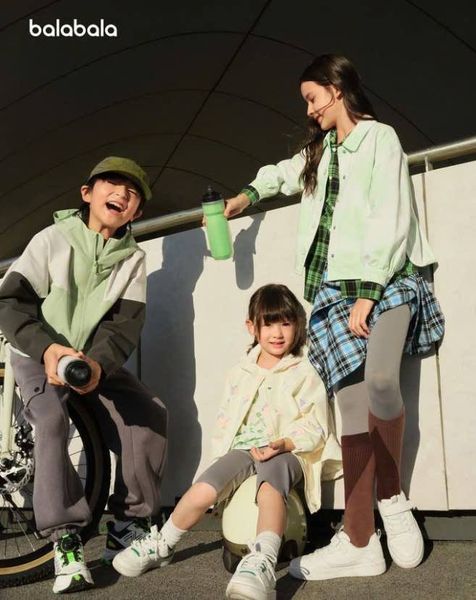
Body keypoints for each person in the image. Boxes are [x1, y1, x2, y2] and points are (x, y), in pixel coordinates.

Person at [223, 54, 445, 580]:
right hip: (329, 292)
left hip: (386, 277)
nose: (309, 109)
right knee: (351, 411)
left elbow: (392, 213)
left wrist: (369, 290)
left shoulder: (380, 138)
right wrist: (248, 195)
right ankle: (360, 540)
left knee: (383, 381)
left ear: (336, 88)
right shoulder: (319, 151)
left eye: (312, 97)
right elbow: (282, 174)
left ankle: (392, 499)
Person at [0, 157, 168, 594]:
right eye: (112, 183)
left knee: (148, 412)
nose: (122, 194)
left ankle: (128, 524)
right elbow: (11, 302)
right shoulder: (52, 239)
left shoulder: (133, 259)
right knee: (52, 420)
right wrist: (48, 349)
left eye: (133, 193)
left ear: (137, 212)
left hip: (89, 360)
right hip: (37, 352)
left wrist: (95, 365)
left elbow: (122, 326)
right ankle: (66, 539)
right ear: (87, 193)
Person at [112, 283, 341, 599]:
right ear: (252, 327)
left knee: (270, 486)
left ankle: (261, 562)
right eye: (268, 324)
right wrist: (222, 462)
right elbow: (226, 422)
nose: (277, 333)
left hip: (287, 451)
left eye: (286, 323)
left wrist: (284, 444)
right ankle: (162, 544)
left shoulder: (303, 371)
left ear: (298, 326)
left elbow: (316, 426)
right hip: (244, 449)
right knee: (204, 488)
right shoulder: (240, 372)